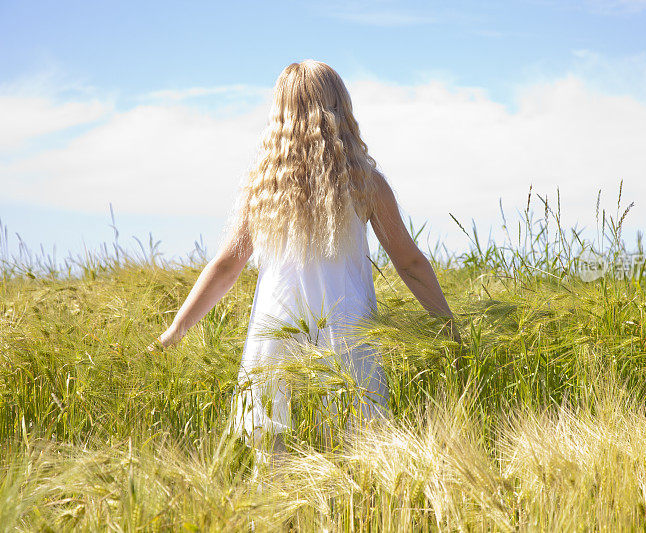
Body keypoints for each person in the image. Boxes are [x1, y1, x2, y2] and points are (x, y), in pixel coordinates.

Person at [150, 60, 457, 458]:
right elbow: (408, 261)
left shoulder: (263, 186)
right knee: (353, 454)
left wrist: (175, 331)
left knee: (273, 463)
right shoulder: (366, 183)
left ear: (281, 113)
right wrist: (447, 323)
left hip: (275, 335)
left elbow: (227, 267)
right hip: (347, 333)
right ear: (340, 107)